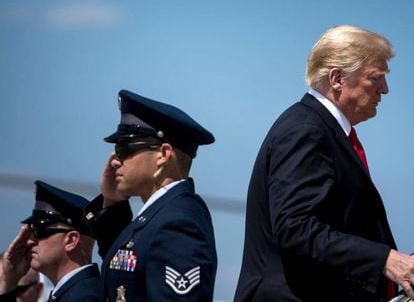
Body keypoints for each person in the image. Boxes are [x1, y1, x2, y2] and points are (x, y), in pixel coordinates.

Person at [234, 25, 414, 301]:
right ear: (337, 78)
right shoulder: (306, 129)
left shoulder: (322, 130)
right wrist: (385, 259)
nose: (385, 90)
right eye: (376, 78)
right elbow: (294, 227)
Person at [84, 89, 217, 301]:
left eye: (125, 149)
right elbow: (124, 270)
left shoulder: (178, 223)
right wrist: (112, 202)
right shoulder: (161, 215)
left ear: (163, 155)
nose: (116, 160)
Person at [0, 180, 103, 301]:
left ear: (71, 241)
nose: (29, 241)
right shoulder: (70, 293)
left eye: (39, 230)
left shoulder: (84, 298)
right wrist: (8, 283)